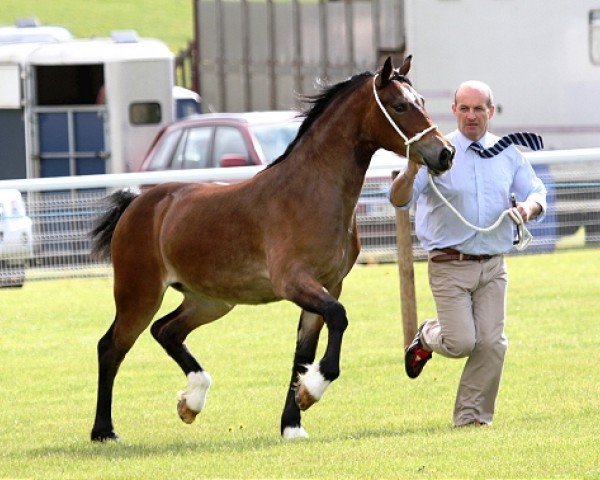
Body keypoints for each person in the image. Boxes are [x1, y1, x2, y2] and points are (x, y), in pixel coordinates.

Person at [389, 80, 547, 427]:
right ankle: (428, 336)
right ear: (454, 111)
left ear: (491, 112)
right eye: (464, 108)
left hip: (493, 265)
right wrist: (413, 167)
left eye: (478, 109)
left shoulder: (508, 153)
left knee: (491, 344)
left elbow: (537, 191)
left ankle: (471, 419)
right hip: (449, 265)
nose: (471, 116)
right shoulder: (437, 151)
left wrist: (528, 209)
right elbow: (399, 200)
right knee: (461, 342)